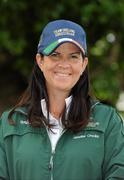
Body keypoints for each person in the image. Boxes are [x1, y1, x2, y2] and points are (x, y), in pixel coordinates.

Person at [0, 19, 124, 180]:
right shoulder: (10, 123)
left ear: (83, 64)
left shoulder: (107, 121)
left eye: (73, 56)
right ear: (40, 61)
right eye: (55, 55)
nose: (64, 64)